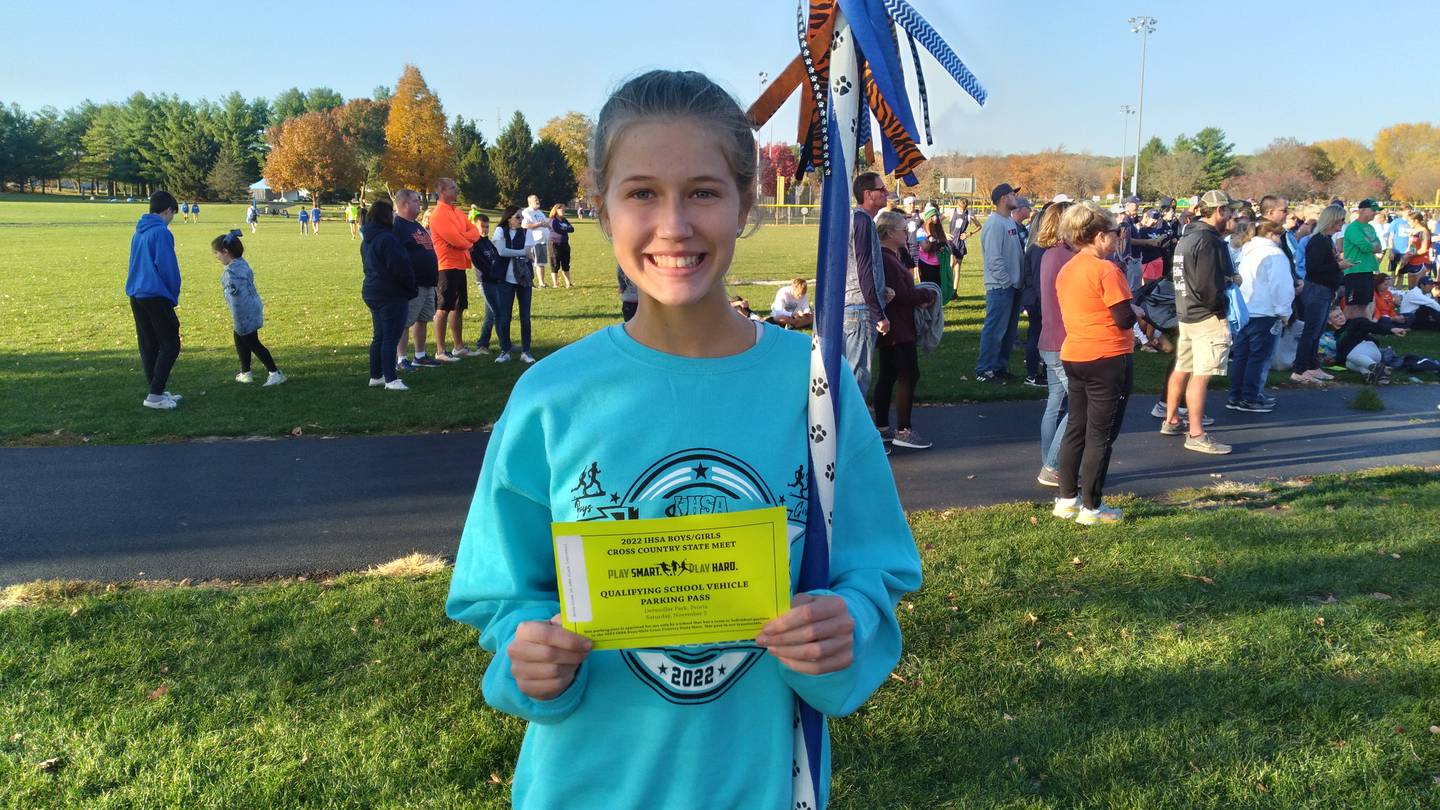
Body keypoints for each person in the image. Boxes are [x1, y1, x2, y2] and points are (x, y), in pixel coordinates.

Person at [444, 70, 921, 810]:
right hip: (588, 786)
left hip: (759, 784)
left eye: (702, 191)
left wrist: (846, 623)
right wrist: (526, 654)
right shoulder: (553, 397)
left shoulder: (815, 386)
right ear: (601, 209)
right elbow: (501, 592)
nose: (674, 225)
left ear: (743, 204)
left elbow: (876, 572)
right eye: (642, 194)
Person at [1051, 201, 1134, 525]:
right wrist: (1137, 310)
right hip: (1107, 357)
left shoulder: (1067, 268)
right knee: (1101, 435)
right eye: (1115, 233)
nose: (1117, 238)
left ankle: (1066, 499)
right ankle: (1091, 508)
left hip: (1075, 354)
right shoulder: (1106, 269)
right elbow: (1123, 317)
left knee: (1076, 428)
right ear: (1099, 236)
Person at [1163, 190, 1236, 455]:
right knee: (1201, 375)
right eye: (1229, 211)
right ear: (1219, 211)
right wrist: (1221, 307)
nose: (1231, 216)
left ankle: (1171, 418)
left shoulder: (1188, 235)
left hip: (1187, 313)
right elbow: (1207, 285)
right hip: (1206, 315)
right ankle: (1196, 433)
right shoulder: (1208, 240)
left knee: (1183, 366)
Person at [871, 208, 937, 449]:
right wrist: (927, 294)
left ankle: (882, 426)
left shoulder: (888, 256)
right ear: (889, 233)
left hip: (894, 325)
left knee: (888, 374)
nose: (907, 233)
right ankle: (903, 430)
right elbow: (902, 294)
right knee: (908, 374)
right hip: (898, 326)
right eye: (903, 229)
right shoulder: (887, 259)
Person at [126, 191, 185, 410]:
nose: (171, 219)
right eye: (173, 214)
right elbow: (167, 267)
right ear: (168, 210)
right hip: (155, 294)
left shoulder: (138, 232)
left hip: (137, 293)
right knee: (170, 344)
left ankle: (156, 390)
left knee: (149, 344)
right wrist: (172, 294)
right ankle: (155, 395)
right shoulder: (161, 232)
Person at [1227, 221, 1292, 412]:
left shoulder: (1246, 251)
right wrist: (1284, 312)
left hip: (1245, 310)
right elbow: (1281, 286)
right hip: (1265, 311)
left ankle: (1236, 395)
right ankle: (1250, 397)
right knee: (1259, 357)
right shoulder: (1274, 254)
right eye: (1279, 235)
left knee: (1242, 356)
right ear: (1271, 235)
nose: (1280, 240)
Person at [1033, 199, 1076, 487]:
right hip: (1063, 340)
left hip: (1048, 338)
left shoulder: (1048, 253)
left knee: (1055, 402)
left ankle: (1050, 461)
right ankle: (1052, 464)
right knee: (1081, 404)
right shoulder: (1065, 255)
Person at [213, 230, 284, 387]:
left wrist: (238, 316)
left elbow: (235, 297)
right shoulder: (241, 263)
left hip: (243, 311)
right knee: (239, 338)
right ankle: (246, 372)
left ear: (225, 252)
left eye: (217, 253)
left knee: (252, 342)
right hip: (252, 305)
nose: (216, 257)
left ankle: (275, 372)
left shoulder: (231, 273)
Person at [360, 200, 417, 390]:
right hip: (390, 292)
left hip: (372, 289)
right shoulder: (387, 239)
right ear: (386, 216)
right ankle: (391, 378)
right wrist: (410, 287)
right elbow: (399, 266)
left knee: (379, 336)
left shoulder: (367, 239)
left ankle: (376, 375)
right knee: (390, 337)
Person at [845, 171, 891, 400]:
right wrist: (878, 313)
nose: (886, 193)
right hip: (860, 310)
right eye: (881, 190)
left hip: (850, 305)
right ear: (867, 194)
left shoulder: (854, 218)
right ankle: (852, 434)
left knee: (849, 376)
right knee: (857, 377)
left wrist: (881, 290)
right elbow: (863, 268)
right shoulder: (862, 220)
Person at [1292, 204, 1349, 383]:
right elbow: (1313, 268)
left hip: (1325, 289)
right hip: (1317, 289)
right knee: (1311, 331)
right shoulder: (1318, 240)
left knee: (1318, 331)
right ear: (1332, 220)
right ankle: (1299, 369)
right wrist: (1338, 265)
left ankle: (1312, 366)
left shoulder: (1327, 240)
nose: (1342, 224)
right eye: (1340, 220)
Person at [977, 182, 1024, 383]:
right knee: (995, 329)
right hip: (1000, 287)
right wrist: (1007, 282)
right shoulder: (995, 224)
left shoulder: (1009, 222)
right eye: (1014, 194)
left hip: (1013, 286)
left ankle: (999, 367)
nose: (1017, 197)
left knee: (1008, 331)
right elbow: (994, 259)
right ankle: (985, 369)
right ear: (1004, 198)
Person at [429, 177, 480, 361]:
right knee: (443, 307)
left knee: (458, 307)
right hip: (445, 266)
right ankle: (441, 351)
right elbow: (454, 239)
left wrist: (464, 239)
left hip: (460, 264)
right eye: (452, 188)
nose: (455, 191)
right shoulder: (438, 215)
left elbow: (474, 232)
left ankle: (459, 347)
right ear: (442, 191)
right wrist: (466, 241)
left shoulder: (457, 212)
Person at [392, 189, 441, 371]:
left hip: (428, 282)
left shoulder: (416, 225)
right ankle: (401, 359)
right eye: (415, 201)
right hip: (413, 283)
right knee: (405, 321)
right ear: (404, 204)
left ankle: (419, 356)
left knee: (423, 319)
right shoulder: (398, 226)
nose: (419, 204)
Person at [490, 205, 537, 364]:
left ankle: (526, 351)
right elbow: (501, 251)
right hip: (505, 280)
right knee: (505, 316)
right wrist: (521, 253)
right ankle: (505, 350)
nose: (521, 220)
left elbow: (530, 253)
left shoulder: (526, 232)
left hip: (523, 279)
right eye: (518, 217)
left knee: (525, 316)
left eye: (522, 217)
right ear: (508, 218)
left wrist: (522, 253)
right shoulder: (499, 231)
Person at [1341, 199, 1384, 319]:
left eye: (1376, 211)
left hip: (1368, 269)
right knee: (1352, 305)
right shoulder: (1353, 228)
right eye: (1373, 210)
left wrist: (1371, 246)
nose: (1375, 213)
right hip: (1355, 270)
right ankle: (1341, 331)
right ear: (1362, 210)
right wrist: (1371, 246)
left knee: (1364, 304)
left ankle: (1358, 329)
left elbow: (1379, 246)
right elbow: (1365, 247)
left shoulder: (1370, 228)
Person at [468, 213, 504, 355]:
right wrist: (494, 273)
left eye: (487, 226)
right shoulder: (474, 245)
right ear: (475, 226)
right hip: (485, 282)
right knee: (497, 312)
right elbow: (481, 265)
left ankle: (483, 344)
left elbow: (497, 259)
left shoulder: (488, 242)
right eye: (482, 226)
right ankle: (504, 343)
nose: (485, 229)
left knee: (490, 314)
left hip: (495, 281)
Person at [947, 197, 977, 285]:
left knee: (958, 267)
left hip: (961, 243)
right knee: (951, 264)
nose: (962, 210)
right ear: (957, 205)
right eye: (960, 208)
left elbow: (979, 226)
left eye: (964, 209)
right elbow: (938, 221)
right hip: (952, 242)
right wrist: (945, 234)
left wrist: (969, 234)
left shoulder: (968, 214)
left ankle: (954, 291)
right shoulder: (952, 212)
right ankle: (948, 287)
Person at [522, 194, 550, 288]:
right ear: (530, 202)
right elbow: (524, 225)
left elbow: (545, 223)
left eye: (538, 200)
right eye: (535, 200)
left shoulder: (540, 212)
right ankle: (533, 283)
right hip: (533, 241)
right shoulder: (526, 212)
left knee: (541, 262)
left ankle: (541, 282)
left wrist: (546, 224)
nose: (538, 201)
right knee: (533, 263)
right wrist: (539, 224)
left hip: (542, 241)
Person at [913, 203, 945, 286]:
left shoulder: (937, 229)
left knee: (938, 288)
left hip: (938, 263)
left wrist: (941, 248)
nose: (936, 218)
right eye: (933, 216)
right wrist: (930, 240)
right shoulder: (920, 232)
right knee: (928, 289)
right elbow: (925, 249)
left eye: (936, 215)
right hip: (926, 264)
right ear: (928, 217)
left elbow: (941, 243)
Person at [549, 204, 576, 288]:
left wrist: (563, 227)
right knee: (555, 263)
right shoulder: (552, 220)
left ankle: (568, 283)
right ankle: (555, 283)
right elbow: (555, 228)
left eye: (564, 210)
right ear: (556, 210)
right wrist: (565, 228)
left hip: (564, 243)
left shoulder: (564, 220)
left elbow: (572, 229)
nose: (563, 211)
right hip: (554, 244)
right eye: (562, 210)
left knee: (566, 263)